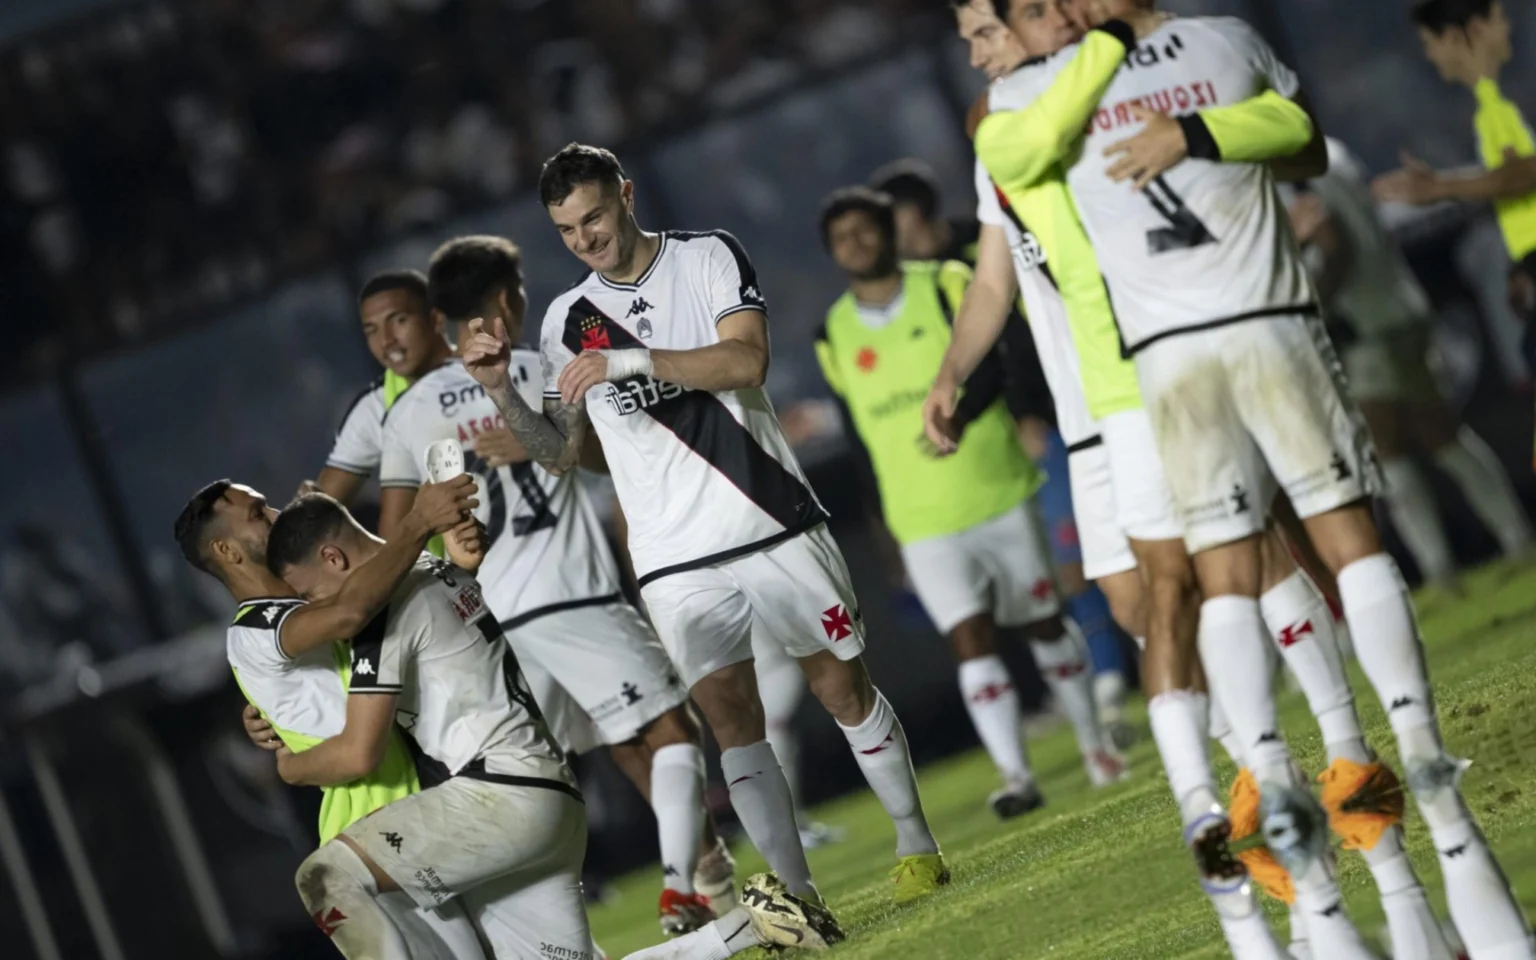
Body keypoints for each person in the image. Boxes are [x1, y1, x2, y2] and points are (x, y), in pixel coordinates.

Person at [975, 0, 1534, 956]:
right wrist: (1197, 127)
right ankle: (1400, 750)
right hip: (1262, 325)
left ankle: (1281, 780)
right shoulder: (1224, 41)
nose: (1053, 13)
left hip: (1162, 362)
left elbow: (1019, 161)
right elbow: (1305, 141)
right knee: (1334, 538)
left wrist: (1130, 100)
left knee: (1225, 573)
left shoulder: (1037, 94)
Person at [466, 142, 953, 949]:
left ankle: (916, 842)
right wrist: (497, 394)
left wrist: (629, 359)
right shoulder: (563, 321)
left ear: (625, 194)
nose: (584, 238)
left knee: (840, 688)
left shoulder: (707, 257)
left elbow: (746, 360)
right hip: (670, 554)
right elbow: (564, 452)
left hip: (767, 516)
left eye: (592, 216)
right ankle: (798, 899)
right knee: (731, 721)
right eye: (565, 230)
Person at [378, 234, 736, 937]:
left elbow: (401, 532)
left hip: (494, 622)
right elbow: (607, 459)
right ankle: (686, 889)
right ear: (509, 296)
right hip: (571, 592)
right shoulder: (544, 364)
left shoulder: (414, 409)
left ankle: (685, 888)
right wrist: (547, 441)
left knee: (584, 764)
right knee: (668, 729)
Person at [814, 183, 1123, 816]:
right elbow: (858, 437)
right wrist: (883, 528)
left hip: (998, 487)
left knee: (1042, 623)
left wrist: (966, 413)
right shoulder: (834, 333)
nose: (856, 243)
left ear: (888, 232)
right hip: (920, 516)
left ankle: (1096, 746)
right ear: (832, 253)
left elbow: (995, 363)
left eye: (865, 229)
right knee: (969, 638)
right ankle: (1016, 776)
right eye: (842, 238)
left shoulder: (946, 282)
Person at [869, 157, 1134, 739]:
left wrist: (1026, 411)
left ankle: (1113, 688)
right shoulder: (912, 286)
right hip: (989, 449)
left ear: (919, 212)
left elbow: (1023, 334)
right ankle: (1096, 687)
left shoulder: (986, 245)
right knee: (1046, 579)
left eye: (895, 219)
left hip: (1060, 414)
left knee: (1082, 563)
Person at [173, 475, 490, 957]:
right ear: (227, 550)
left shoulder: (306, 602)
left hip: (426, 805)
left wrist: (452, 563)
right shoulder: (257, 629)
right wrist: (419, 522)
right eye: (259, 514)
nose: (277, 515)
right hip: (374, 829)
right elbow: (352, 614)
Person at [1289, 137, 1533, 586]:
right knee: (1437, 432)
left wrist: (1311, 308)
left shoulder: (1297, 169)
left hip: (1366, 321)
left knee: (1390, 444)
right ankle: (1509, 538)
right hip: (1398, 305)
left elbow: (1334, 246)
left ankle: (1441, 567)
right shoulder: (1333, 152)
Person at [1373, 1, 1536, 363]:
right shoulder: (1490, 102)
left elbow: (1524, 175)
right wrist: (1523, 265)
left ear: (1464, 34)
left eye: (1431, 42)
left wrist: (1440, 188)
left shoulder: (1509, 98)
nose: (1430, 55)